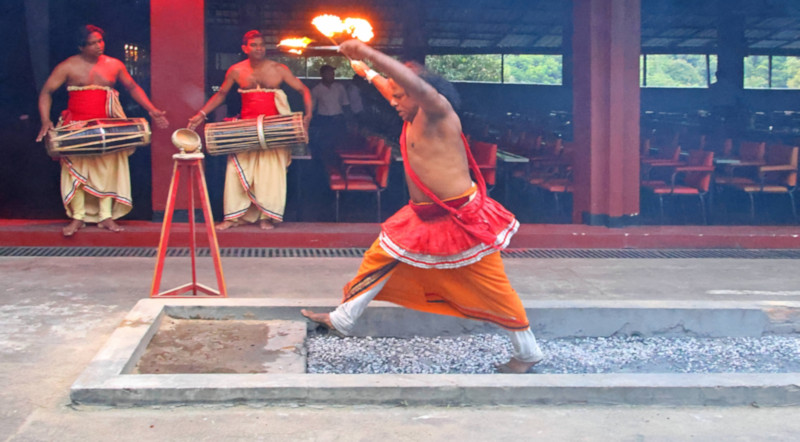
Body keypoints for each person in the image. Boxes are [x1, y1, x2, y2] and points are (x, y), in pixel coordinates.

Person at [301, 40, 544, 374]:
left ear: (421, 92)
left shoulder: (437, 110)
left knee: (493, 288)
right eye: (395, 95)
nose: (394, 101)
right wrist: (362, 67)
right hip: (422, 216)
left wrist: (368, 52)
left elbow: (411, 84)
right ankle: (342, 318)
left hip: (460, 219)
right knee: (379, 258)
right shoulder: (410, 106)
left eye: (400, 95)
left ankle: (528, 354)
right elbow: (390, 84)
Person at [36, 24, 169, 237]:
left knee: (108, 170)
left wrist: (152, 110)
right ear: (81, 46)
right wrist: (45, 121)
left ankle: (105, 216)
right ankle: (77, 216)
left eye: (100, 41)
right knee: (76, 173)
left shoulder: (114, 65)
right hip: (76, 128)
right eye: (92, 43)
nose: (99, 46)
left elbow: (132, 87)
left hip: (108, 127)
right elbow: (46, 92)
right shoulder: (68, 66)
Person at [188, 30, 311, 230]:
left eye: (261, 44)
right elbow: (221, 94)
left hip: (274, 129)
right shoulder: (236, 70)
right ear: (245, 48)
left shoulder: (278, 68)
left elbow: (303, 89)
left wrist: (308, 116)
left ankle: (266, 217)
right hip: (245, 129)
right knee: (236, 171)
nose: (259, 48)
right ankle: (232, 217)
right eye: (254, 45)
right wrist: (200, 114)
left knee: (270, 173)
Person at [310, 64, 349, 165]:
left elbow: (345, 104)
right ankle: (325, 167)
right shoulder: (316, 89)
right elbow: (312, 108)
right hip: (324, 120)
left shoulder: (339, 87)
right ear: (322, 75)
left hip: (338, 119)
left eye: (332, 73)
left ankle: (338, 167)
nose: (331, 75)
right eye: (328, 73)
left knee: (339, 144)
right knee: (324, 145)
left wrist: (349, 120)